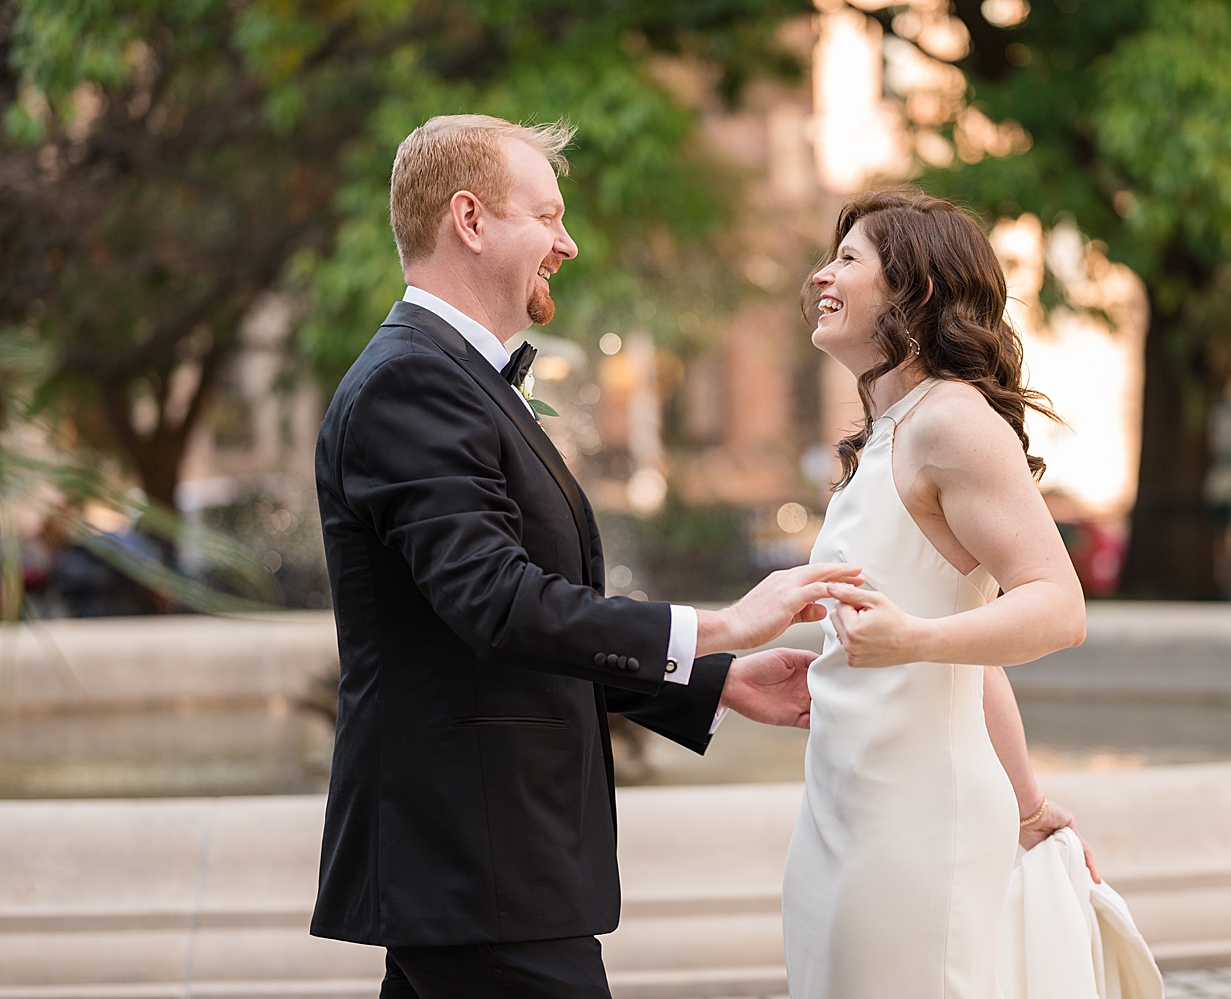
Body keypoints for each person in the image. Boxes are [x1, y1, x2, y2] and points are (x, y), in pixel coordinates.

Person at [310, 114, 862, 999]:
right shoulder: (413, 382)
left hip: (476, 867)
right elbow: (497, 602)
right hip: (475, 861)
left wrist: (716, 681)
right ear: (471, 219)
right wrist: (717, 625)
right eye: (548, 216)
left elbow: (517, 627)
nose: (567, 243)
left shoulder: (457, 378)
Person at [782, 190, 1097, 999]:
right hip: (842, 812)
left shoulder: (951, 421)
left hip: (915, 825)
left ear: (915, 293)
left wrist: (913, 639)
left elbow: (1058, 605)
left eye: (848, 258)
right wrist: (1029, 805)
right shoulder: (885, 438)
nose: (822, 272)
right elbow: (976, 641)